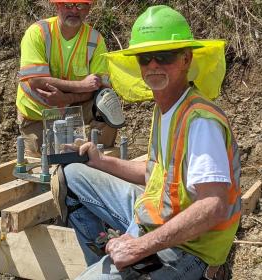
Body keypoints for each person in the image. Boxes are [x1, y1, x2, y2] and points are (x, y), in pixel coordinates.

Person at [59, 5, 240, 279]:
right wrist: (100, 161)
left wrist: (139, 247)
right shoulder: (166, 108)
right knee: (71, 175)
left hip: (190, 248)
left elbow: (214, 205)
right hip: (156, 217)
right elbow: (156, 175)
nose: (153, 64)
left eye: (164, 56)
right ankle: (110, 263)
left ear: (186, 59)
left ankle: (122, 265)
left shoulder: (200, 121)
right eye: (145, 58)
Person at [16, 0, 123, 157]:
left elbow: (99, 88)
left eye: (80, 6)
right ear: (57, 6)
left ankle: (99, 156)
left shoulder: (95, 39)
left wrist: (65, 98)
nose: (74, 10)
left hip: (75, 108)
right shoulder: (38, 32)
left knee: (108, 101)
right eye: (68, 5)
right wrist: (81, 85)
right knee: (45, 160)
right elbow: (36, 80)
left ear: (88, 9)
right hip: (38, 113)